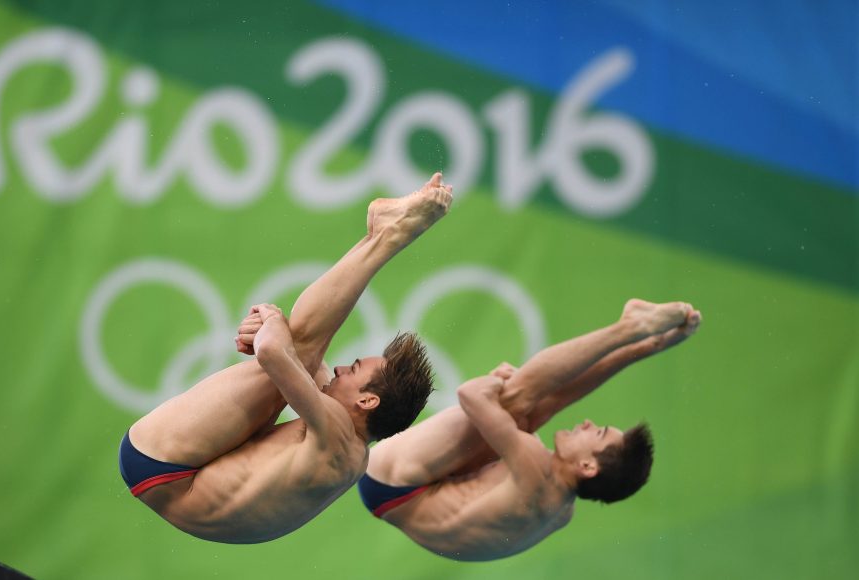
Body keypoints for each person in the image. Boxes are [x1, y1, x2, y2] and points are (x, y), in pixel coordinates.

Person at [118, 173, 453, 543]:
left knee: (302, 345)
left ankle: (386, 236)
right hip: (177, 481)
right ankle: (380, 235)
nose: (342, 368)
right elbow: (294, 362)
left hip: (164, 463)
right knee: (304, 351)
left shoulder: (337, 435)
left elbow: (273, 351)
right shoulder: (351, 454)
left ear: (368, 400)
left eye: (355, 370)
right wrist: (275, 341)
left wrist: (270, 319)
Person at [358, 299, 702, 561]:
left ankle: (628, 330)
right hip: (403, 501)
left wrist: (497, 383)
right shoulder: (561, 509)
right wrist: (644, 348)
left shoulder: (536, 469)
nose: (587, 423)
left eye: (597, 433)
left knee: (517, 399)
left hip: (393, 481)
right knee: (528, 412)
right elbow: (552, 400)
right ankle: (639, 341)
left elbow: (470, 394)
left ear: (587, 466)